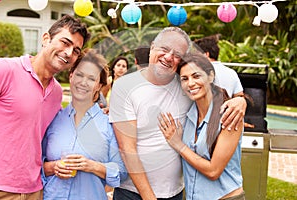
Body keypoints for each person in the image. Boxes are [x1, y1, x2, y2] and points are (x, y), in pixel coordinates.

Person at [109, 27, 246, 200]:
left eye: (177, 54)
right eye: (164, 49)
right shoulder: (125, 86)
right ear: (152, 47)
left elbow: (216, 92)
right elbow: (126, 148)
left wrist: (241, 101)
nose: (168, 57)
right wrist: (148, 196)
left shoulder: (185, 85)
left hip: (175, 192)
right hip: (132, 192)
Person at [0, 15, 90, 199]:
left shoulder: (56, 93)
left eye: (76, 50)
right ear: (46, 39)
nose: (69, 53)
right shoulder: (5, 70)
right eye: (65, 42)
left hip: (35, 189)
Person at [41, 48, 127, 200]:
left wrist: (92, 166)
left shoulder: (108, 124)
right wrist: (53, 167)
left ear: (99, 85)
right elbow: (34, 164)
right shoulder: (52, 119)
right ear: (71, 76)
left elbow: (121, 172)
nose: (83, 82)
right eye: (79, 75)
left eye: (91, 78)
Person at [158, 52, 245, 200]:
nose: (190, 83)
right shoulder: (189, 112)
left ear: (210, 76)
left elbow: (213, 171)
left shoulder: (228, 115)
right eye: (184, 79)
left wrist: (178, 144)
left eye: (196, 76)